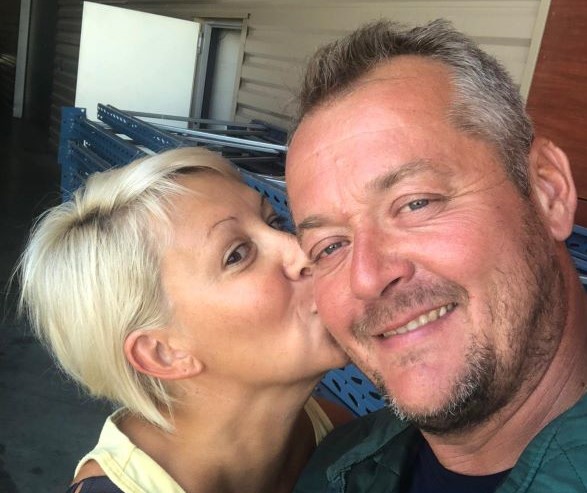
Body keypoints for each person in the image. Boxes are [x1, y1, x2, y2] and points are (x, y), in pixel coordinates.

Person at [285, 19, 587, 492]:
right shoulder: (337, 468)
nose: (367, 277)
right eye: (331, 246)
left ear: (548, 191)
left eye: (416, 203)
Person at [17, 146, 350, 493]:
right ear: (163, 353)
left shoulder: (335, 433)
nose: (302, 250)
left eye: (274, 222)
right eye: (237, 255)